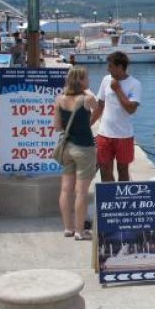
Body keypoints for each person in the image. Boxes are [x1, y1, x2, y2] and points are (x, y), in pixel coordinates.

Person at [54, 67, 98, 239]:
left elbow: (57, 127)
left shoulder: (59, 99)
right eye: (86, 77)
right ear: (80, 80)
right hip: (84, 148)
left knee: (66, 190)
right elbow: (99, 110)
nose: (89, 80)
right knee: (81, 191)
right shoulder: (87, 98)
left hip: (67, 148)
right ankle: (80, 231)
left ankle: (68, 227)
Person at [91, 51, 141, 182]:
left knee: (123, 171)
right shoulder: (106, 80)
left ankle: (122, 199)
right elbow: (100, 105)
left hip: (124, 136)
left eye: (111, 66)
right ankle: (108, 199)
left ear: (120, 67)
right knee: (104, 170)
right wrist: (88, 124)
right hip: (104, 135)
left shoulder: (135, 84)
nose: (108, 69)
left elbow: (131, 109)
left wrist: (118, 89)